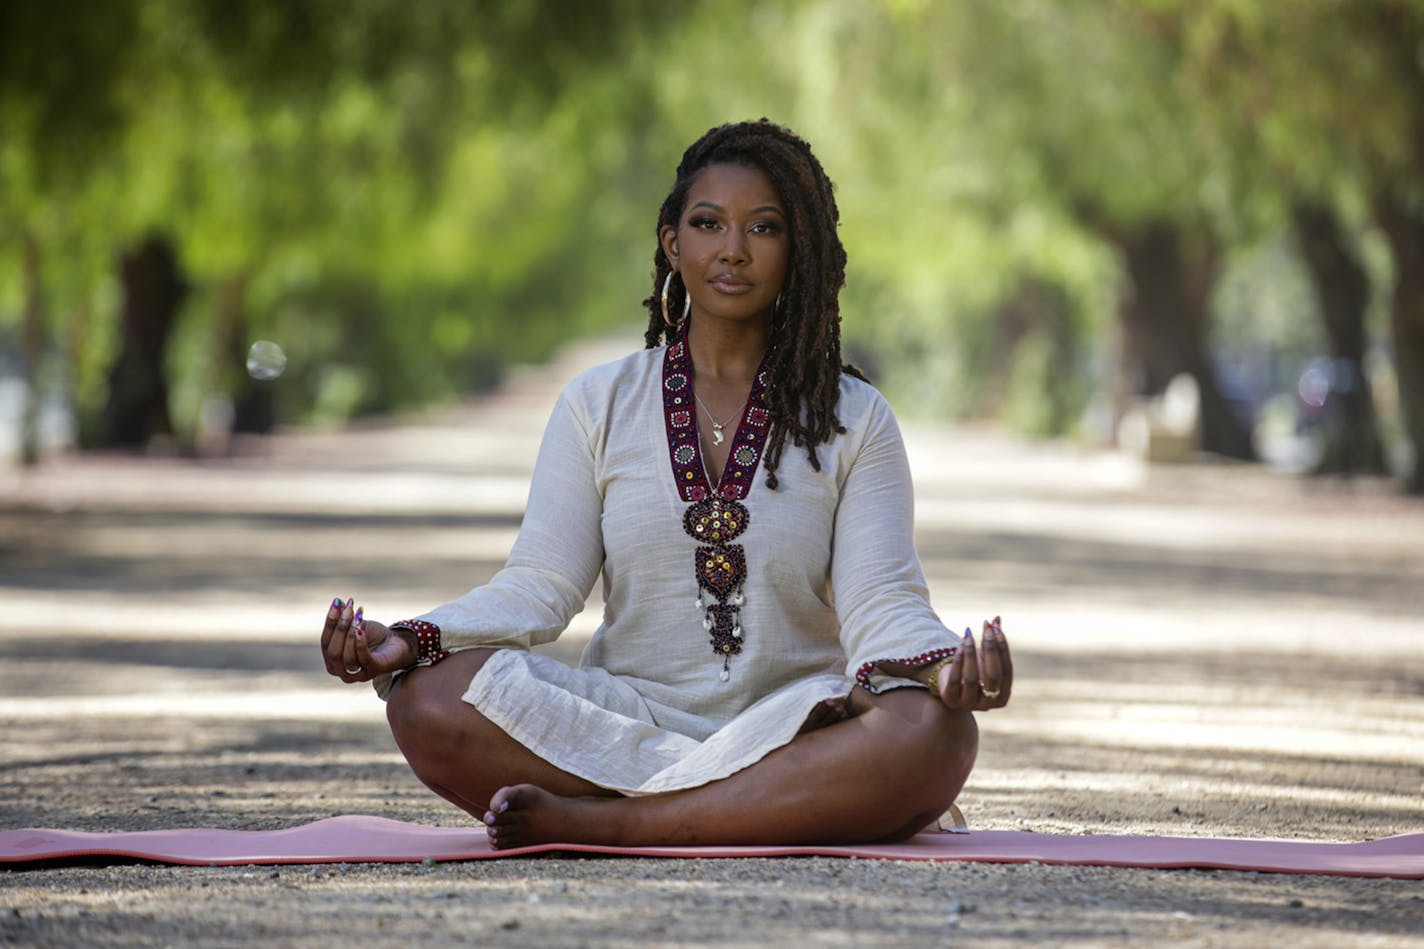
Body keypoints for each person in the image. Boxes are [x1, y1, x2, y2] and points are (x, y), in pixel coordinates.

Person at [319, 120, 1013, 849]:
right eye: (708, 223)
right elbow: (539, 586)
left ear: (797, 248)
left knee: (935, 729)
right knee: (427, 697)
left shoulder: (855, 417)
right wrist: (415, 637)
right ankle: (742, 810)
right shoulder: (597, 403)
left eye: (764, 227)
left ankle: (616, 824)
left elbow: (882, 599)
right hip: (627, 721)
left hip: (797, 724)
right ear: (672, 242)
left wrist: (942, 669)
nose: (733, 249)